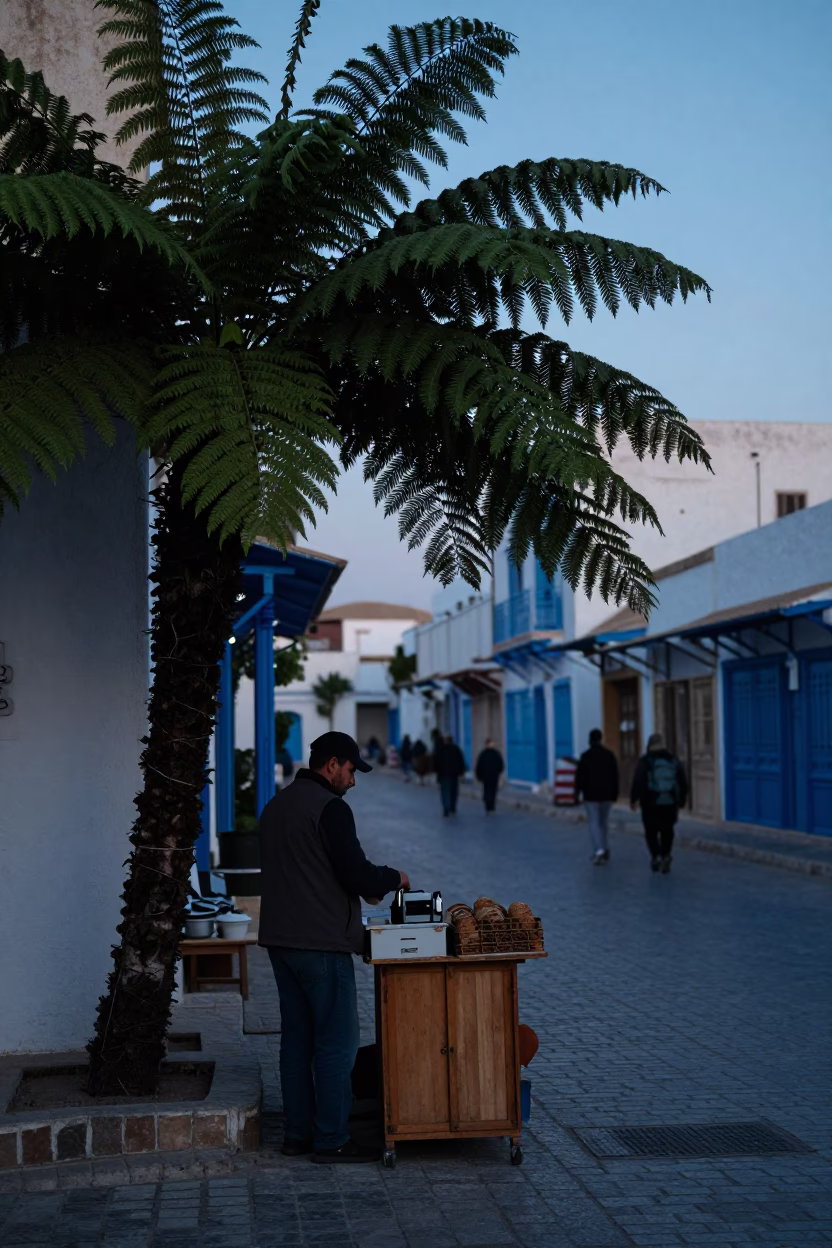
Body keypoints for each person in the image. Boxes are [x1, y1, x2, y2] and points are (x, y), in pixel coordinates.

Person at [258, 731, 409, 1162]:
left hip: (279, 942)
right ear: (332, 765)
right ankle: (331, 1140)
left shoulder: (276, 806)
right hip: (320, 945)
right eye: (350, 771)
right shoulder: (331, 809)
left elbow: (309, 868)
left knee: (296, 1042)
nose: (353, 781)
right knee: (336, 1043)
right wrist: (393, 879)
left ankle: (296, 1135)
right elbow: (356, 873)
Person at [630, 732, 688, 874]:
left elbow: (638, 781)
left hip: (650, 802)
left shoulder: (646, 761)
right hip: (669, 802)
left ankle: (656, 856)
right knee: (667, 830)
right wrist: (681, 801)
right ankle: (666, 855)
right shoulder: (673, 760)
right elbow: (682, 782)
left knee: (651, 831)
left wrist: (634, 799)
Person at [575, 728, 619, 864]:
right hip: (606, 795)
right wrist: (615, 793)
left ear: (590, 740)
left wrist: (577, 793)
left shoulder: (585, 756)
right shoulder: (609, 755)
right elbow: (615, 776)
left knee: (594, 823)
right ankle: (605, 847)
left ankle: (598, 850)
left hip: (591, 796)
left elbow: (579, 778)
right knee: (603, 822)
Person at [434, 734, 466, 816]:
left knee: (445, 792)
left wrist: (437, 773)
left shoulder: (441, 750)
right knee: (453, 791)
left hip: (444, 775)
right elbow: (461, 761)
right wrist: (461, 772)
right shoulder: (456, 749)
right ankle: (452, 807)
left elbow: (436, 763)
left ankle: (446, 808)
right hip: (454, 774)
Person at [475, 739, 504, 813]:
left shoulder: (483, 754)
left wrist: (479, 775)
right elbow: (500, 765)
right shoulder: (495, 754)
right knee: (492, 791)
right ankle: (491, 806)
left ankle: (488, 806)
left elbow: (479, 766)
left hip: (486, 776)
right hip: (493, 776)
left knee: (487, 790)